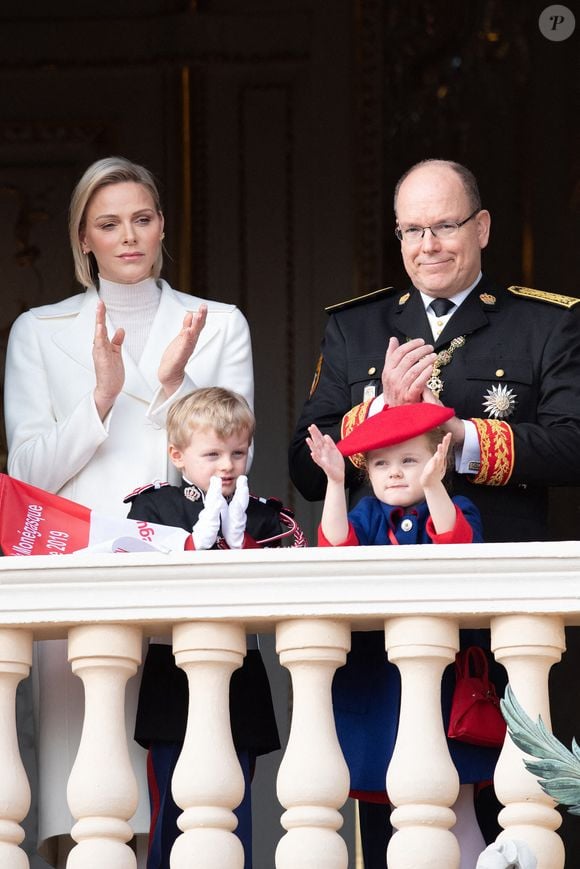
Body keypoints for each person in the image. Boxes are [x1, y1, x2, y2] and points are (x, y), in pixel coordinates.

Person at [288, 158, 580, 862]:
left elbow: (572, 445)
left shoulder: (542, 323)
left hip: (498, 610)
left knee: (510, 811)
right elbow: (304, 465)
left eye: (445, 225)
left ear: (480, 227)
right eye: (412, 230)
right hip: (384, 614)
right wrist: (383, 411)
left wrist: (461, 438)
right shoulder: (357, 328)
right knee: (395, 804)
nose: (429, 245)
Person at [4, 156, 254, 867]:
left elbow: (233, 462)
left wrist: (172, 385)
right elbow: (27, 473)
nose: (129, 236)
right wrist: (102, 400)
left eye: (142, 219)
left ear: (163, 224)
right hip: (77, 579)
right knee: (81, 798)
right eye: (109, 223)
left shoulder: (220, 324)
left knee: (182, 793)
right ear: (83, 237)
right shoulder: (38, 331)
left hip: (184, 577)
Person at [307, 401, 498, 869]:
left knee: (455, 802)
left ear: (439, 460)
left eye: (410, 461)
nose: (393, 473)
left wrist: (433, 489)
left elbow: (456, 540)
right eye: (380, 464)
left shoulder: (458, 505)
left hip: (443, 684)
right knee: (394, 808)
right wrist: (335, 483)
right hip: (378, 680)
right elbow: (335, 547)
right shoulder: (368, 512)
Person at [126, 387, 303, 869]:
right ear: (178, 455)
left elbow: (296, 579)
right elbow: (131, 574)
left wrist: (243, 540)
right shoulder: (156, 507)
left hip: (240, 677)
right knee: (171, 815)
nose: (227, 465)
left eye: (237, 453)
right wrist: (190, 545)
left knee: (233, 812)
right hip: (172, 677)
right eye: (212, 454)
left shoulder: (264, 513)